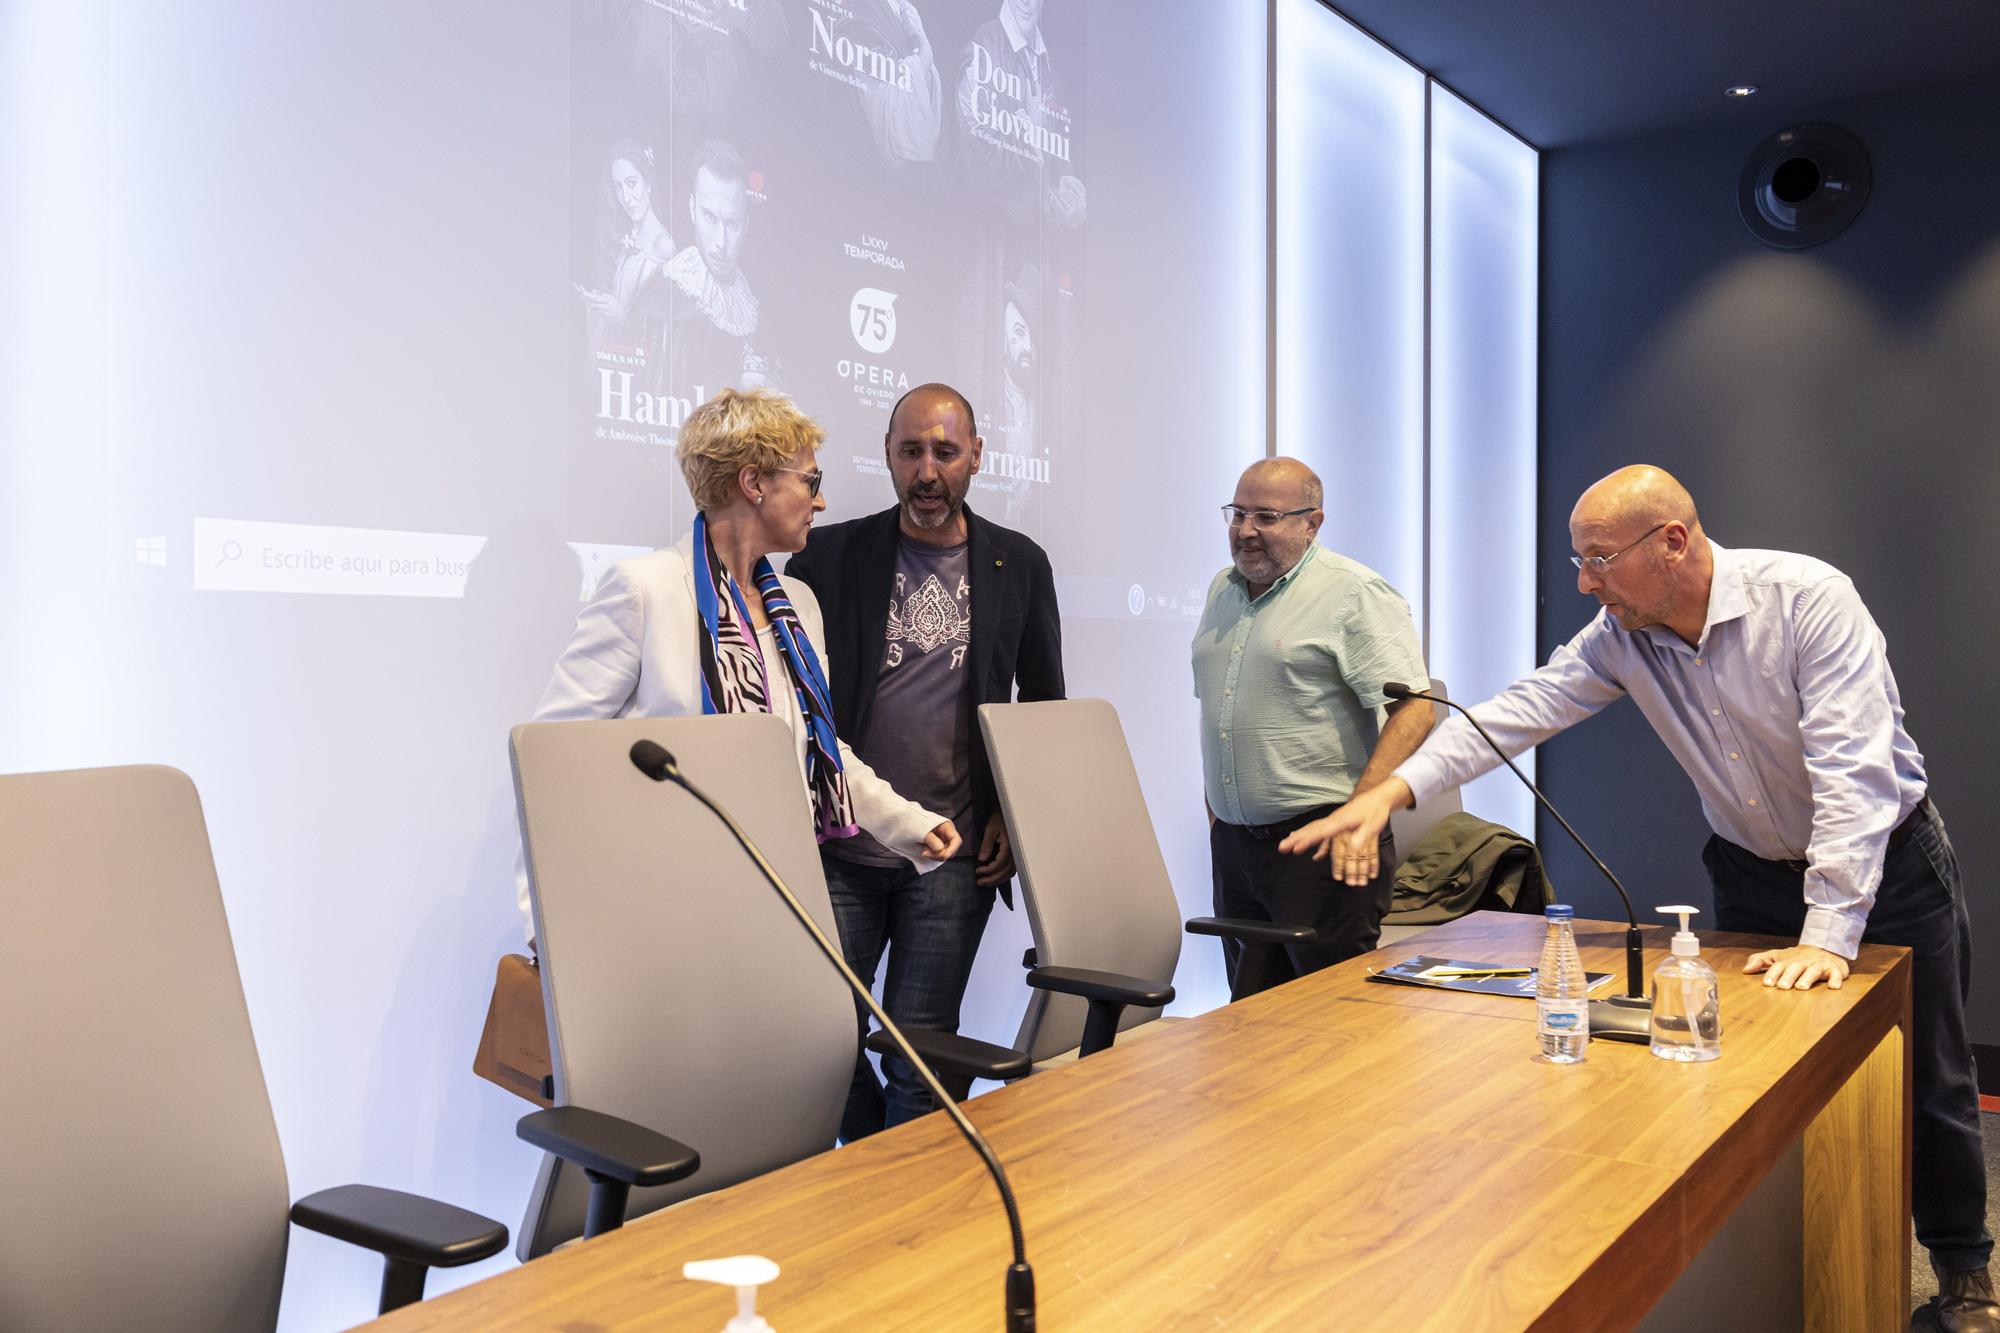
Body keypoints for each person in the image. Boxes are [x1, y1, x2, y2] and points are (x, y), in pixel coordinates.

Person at [1281, 464, 1994, 1331]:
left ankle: (1964, 1272)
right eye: (1578, 561)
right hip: (1752, 870)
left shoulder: (1806, 599)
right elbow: (1517, 711)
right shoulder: (1621, 635)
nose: (1584, 582)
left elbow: (1855, 776)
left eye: (1598, 559)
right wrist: (1389, 793)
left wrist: (1830, 931)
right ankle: (1787, 1268)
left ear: (1673, 543)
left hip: (1886, 860)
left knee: (1930, 1077)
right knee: (1759, 1074)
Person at [515, 387, 961, 940]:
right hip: (665, 902)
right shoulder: (645, 590)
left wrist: (909, 824)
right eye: (810, 481)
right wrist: (544, 924)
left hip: (779, 889)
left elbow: (814, 746)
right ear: (754, 484)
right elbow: (551, 761)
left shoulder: (797, 605)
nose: (819, 503)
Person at [786, 381, 1063, 1140]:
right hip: (840, 847)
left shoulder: (1020, 563)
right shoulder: (831, 555)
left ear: (977, 455)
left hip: (953, 853)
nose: (928, 470)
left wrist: (1013, 816)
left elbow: (1042, 703)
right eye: (912, 451)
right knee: (819, 1041)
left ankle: (907, 1212)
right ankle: (880, 1168)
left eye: (945, 451)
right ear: (887, 456)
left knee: (925, 1057)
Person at [1191, 458, 1434, 997]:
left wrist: (1361, 812)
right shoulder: (1221, 591)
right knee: (1250, 1020)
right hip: (1236, 850)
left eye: (1267, 517)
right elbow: (1221, 710)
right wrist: (1218, 813)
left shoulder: (1355, 592)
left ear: (1312, 522)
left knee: (1332, 1027)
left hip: (1323, 846)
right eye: (1238, 513)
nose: (1246, 531)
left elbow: (1416, 708)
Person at [644, 139, 777, 398]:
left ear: (746, 224)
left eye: (732, 224)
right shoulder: (666, 295)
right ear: (692, 209)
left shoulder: (753, 306)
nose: (721, 242)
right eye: (710, 218)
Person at [575, 139, 674, 332]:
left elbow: (669, 328)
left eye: (631, 183)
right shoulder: (627, 236)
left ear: (649, 184)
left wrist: (625, 319)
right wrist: (598, 303)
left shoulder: (664, 245)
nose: (626, 197)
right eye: (618, 187)